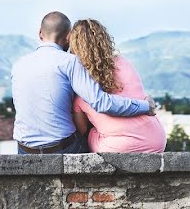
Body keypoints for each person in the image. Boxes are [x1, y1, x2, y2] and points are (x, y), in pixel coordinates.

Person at [11, 11, 157, 154]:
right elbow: (101, 103)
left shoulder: (18, 64)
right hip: (62, 148)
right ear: (69, 37)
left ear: (40, 33)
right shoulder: (70, 62)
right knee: (86, 135)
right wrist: (145, 106)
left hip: (25, 149)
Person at [69, 19, 166, 153]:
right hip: (156, 141)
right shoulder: (123, 62)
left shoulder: (81, 85)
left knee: (88, 134)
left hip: (118, 147)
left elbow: (82, 129)